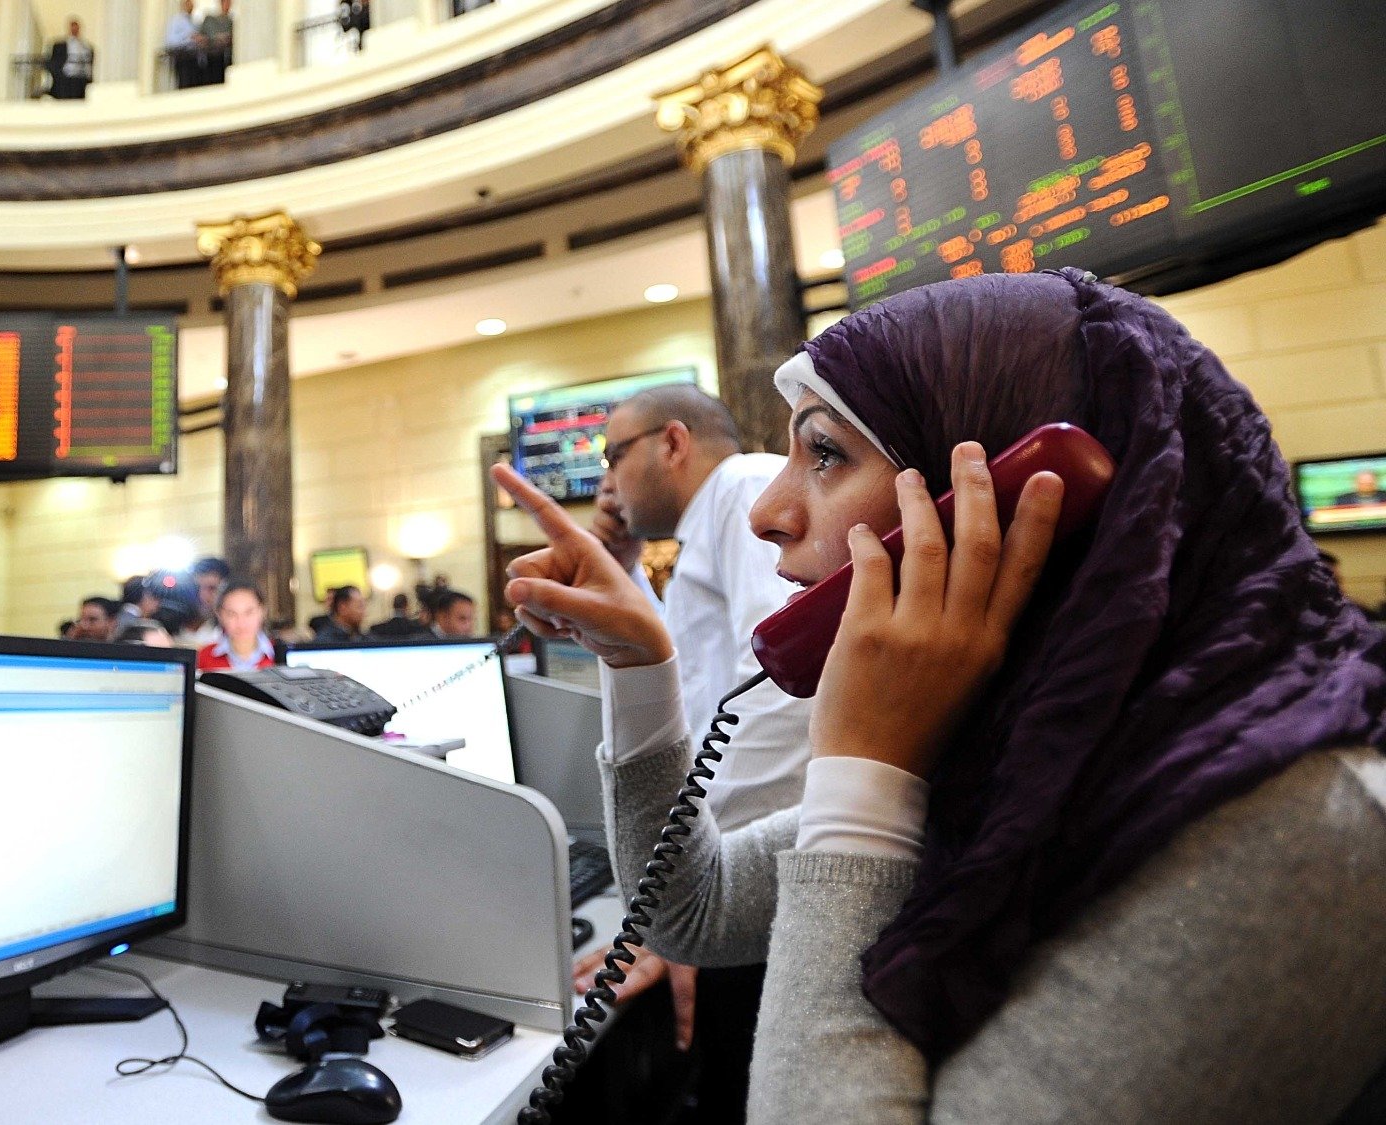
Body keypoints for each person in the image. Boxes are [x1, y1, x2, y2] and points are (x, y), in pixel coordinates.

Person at [495, 268, 1386, 1121]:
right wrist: (639, 670)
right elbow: (691, 907)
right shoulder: (1002, 753)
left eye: (825, 453)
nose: (768, 510)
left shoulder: (1293, 835)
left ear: (1016, 508)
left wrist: (863, 776)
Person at [577, 384, 819, 1094]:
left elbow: (779, 689)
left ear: (673, 443)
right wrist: (621, 564)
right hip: (740, 868)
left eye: (614, 456)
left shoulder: (743, 489)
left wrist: (691, 888)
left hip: (755, 870)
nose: (606, 484)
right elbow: (686, 673)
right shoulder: (706, 523)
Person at [197, 582, 276, 671]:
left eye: (249, 612)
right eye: (231, 614)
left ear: (263, 611)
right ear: (219, 615)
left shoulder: (281, 654)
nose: (241, 623)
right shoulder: (203, 658)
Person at [46, 18, 93, 100]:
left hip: (80, 79)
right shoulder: (59, 45)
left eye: (76, 28)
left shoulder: (85, 46)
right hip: (65, 79)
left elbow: (88, 62)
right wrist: (58, 75)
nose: (74, 30)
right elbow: (53, 62)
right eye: (73, 28)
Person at [163, 0, 200, 89]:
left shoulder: (194, 22)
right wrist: (189, 38)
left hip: (194, 57)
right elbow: (170, 40)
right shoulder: (176, 20)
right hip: (182, 56)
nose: (191, 5)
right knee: (184, 83)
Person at [198, 0, 233, 85]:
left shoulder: (231, 22)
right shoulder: (210, 19)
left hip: (226, 58)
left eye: (228, 3)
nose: (227, 5)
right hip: (210, 58)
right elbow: (203, 36)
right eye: (225, 2)